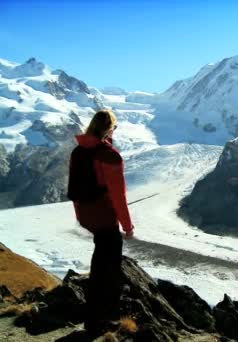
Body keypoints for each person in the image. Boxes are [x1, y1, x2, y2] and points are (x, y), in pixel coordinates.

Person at [69, 109, 134, 335]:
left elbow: (75, 188)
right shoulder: (109, 155)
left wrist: (82, 216)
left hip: (87, 215)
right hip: (105, 217)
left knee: (100, 264)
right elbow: (118, 196)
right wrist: (127, 226)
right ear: (109, 129)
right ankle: (104, 320)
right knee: (108, 269)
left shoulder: (78, 151)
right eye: (114, 128)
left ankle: (96, 317)